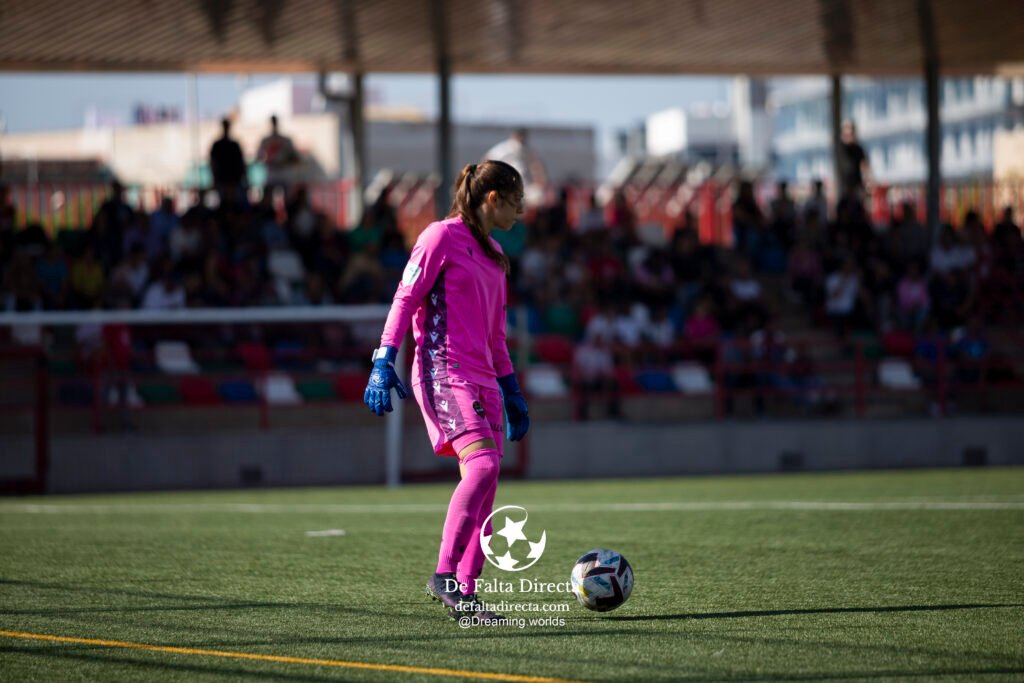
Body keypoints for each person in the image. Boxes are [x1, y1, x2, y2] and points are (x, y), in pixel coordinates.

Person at [362, 160, 530, 622]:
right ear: (492, 198)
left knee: (489, 485)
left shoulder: (496, 256)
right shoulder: (439, 236)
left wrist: (511, 389)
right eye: (517, 200)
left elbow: (496, 336)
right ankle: (444, 576)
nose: (522, 210)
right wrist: (383, 359)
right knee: (483, 465)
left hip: (485, 380)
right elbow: (406, 298)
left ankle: (467, 595)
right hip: (443, 370)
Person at [482, 128, 546, 207]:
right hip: (506, 186)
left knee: (537, 196)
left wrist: (539, 180)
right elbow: (486, 161)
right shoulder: (504, 149)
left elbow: (536, 166)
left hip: (523, 186)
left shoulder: (526, 149)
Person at [256, 115, 300, 199]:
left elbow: (295, 158)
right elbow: (258, 157)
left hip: (284, 175)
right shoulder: (265, 140)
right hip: (272, 175)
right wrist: (267, 161)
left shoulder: (286, 140)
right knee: (267, 200)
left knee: (288, 200)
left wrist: (284, 162)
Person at [209, 118, 248, 207]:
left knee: (234, 203)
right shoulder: (218, 145)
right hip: (223, 179)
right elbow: (213, 163)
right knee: (225, 203)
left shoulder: (233, 145)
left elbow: (241, 162)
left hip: (233, 179)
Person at [837, 119, 871, 200]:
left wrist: (867, 185)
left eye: (850, 131)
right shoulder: (840, 150)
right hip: (843, 190)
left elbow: (865, 167)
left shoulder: (858, 149)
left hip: (856, 189)